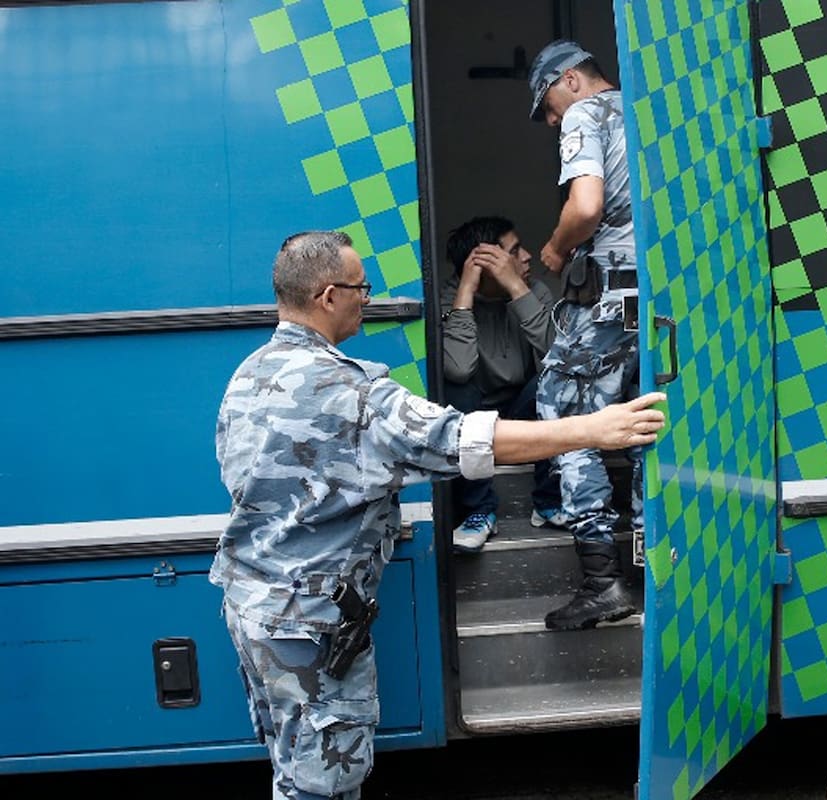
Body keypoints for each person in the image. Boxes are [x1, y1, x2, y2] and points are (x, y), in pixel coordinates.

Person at [210, 230, 665, 800]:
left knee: (292, 767)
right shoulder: (352, 393)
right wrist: (590, 429)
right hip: (310, 624)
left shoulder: (248, 376)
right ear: (328, 296)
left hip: (251, 605)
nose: (367, 299)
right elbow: (466, 439)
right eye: (361, 287)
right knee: (322, 786)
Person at [527, 39, 642, 631]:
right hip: (665, 297)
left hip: (613, 293)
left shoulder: (586, 112)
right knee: (648, 419)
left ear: (570, 79)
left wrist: (556, 246)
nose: (551, 120)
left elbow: (587, 204)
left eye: (547, 103)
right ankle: (653, 561)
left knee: (563, 410)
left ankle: (602, 582)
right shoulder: (651, 108)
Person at [440, 215, 567, 552]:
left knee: (555, 378)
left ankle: (547, 500)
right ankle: (480, 512)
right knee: (455, 389)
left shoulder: (533, 291)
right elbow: (458, 369)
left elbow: (561, 357)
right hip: (473, 414)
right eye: (514, 251)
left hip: (519, 410)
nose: (527, 256)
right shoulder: (450, 298)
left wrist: (515, 289)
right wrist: (467, 289)